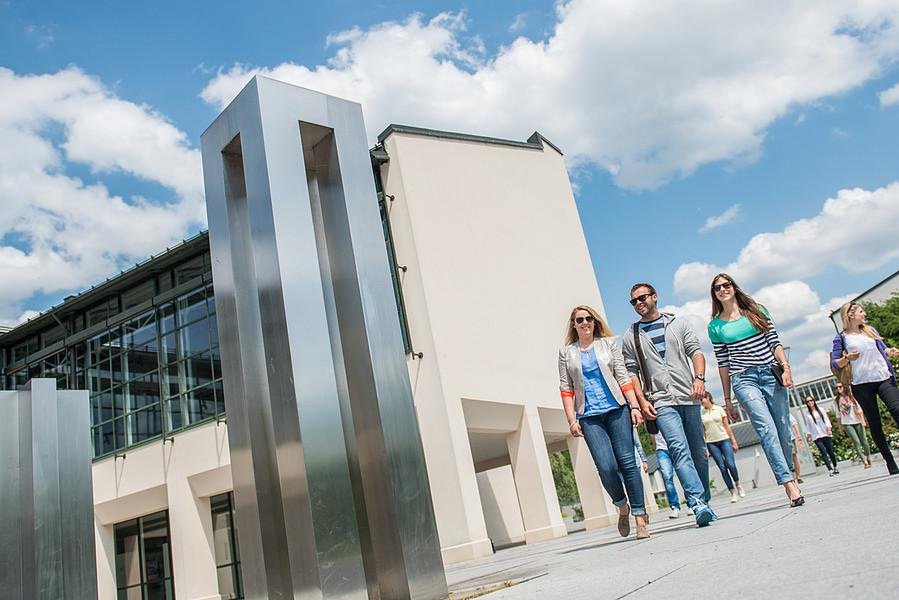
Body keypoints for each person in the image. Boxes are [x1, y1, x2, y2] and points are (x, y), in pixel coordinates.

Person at [622, 283, 716, 527]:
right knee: (678, 450)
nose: (638, 303)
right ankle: (697, 504)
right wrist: (642, 401)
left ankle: (705, 500)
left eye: (642, 298)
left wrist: (699, 378)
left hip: (688, 395)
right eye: (633, 301)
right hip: (661, 401)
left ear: (655, 296)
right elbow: (631, 371)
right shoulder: (631, 335)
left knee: (699, 454)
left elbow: (696, 351)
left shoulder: (678, 323)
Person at [707, 273, 804, 507]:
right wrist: (727, 399)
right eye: (717, 287)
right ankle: (788, 484)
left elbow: (774, 342)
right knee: (766, 428)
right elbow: (723, 363)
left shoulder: (757, 310)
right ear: (714, 295)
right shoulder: (715, 326)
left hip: (771, 373)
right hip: (743, 379)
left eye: (726, 284)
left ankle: (787, 469)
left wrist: (786, 367)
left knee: (782, 428)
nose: (722, 289)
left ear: (733, 287)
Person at [559, 305, 650, 539]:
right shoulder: (566, 353)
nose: (585, 322)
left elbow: (622, 376)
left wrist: (634, 406)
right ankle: (622, 506)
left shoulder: (608, 344)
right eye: (580, 320)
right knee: (606, 466)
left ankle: (640, 518)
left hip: (617, 409)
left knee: (628, 463)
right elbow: (566, 387)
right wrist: (572, 419)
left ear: (595, 321)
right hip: (588, 416)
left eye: (589, 318)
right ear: (574, 324)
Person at [831, 302, 899, 475]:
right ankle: (890, 461)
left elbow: (882, 350)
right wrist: (847, 358)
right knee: (875, 423)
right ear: (851, 315)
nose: (864, 314)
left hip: (883, 377)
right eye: (861, 311)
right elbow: (835, 363)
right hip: (861, 384)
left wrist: (890, 351)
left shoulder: (870, 331)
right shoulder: (842, 338)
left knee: (896, 409)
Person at [700, 392, 745, 503]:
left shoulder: (719, 409)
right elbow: (703, 431)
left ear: (709, 398)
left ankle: (738, 484)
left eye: (703, 399)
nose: (701, 401)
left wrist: (733, 441)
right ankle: (732, 492)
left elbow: (726, 426)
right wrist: (705, 446)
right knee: (722, 467)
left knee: (731, 464)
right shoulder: (701, 413)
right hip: (711, 442)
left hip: (724, 439)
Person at [833, 382, 871, 468]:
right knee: (856, 442)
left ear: (844, 387)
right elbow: (838, 415)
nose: (838, 389)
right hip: (847, 423)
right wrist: (840, 427)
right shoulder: (836, 400)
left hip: (857, 420)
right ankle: (864, 461)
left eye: (840, 387)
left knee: (864, 441)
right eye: (836, 388)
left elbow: (859, 408)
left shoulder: (851, 396)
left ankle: (868, 456)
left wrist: (863, 420)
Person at [650, 432, 683, 518]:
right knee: (667, 477)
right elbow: (651, 432)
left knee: (683, 473)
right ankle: (675, 507)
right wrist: (655, 448)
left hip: (675, 445)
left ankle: (691, 502)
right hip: (661, 449)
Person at [803, 397, 838, 476]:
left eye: (811, 400)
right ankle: (830, 469)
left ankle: (835, 466)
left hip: (825, 432)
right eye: (808, 401)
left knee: (830, 451)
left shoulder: (821, 410)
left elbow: (826, 420)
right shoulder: (807, 414)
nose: (810, 402)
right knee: (823, 452)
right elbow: (808, 426)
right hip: (816, 435)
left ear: (814, 401)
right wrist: (809, 435)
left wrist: (829, 429)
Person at [789, 413, 804, 484]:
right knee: (786, 458)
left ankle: (798, 477)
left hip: (790, 438)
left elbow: (794, 423)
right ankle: (790, 478)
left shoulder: (785, 411)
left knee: (794, 456)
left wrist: (798, 435)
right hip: (780, 440)